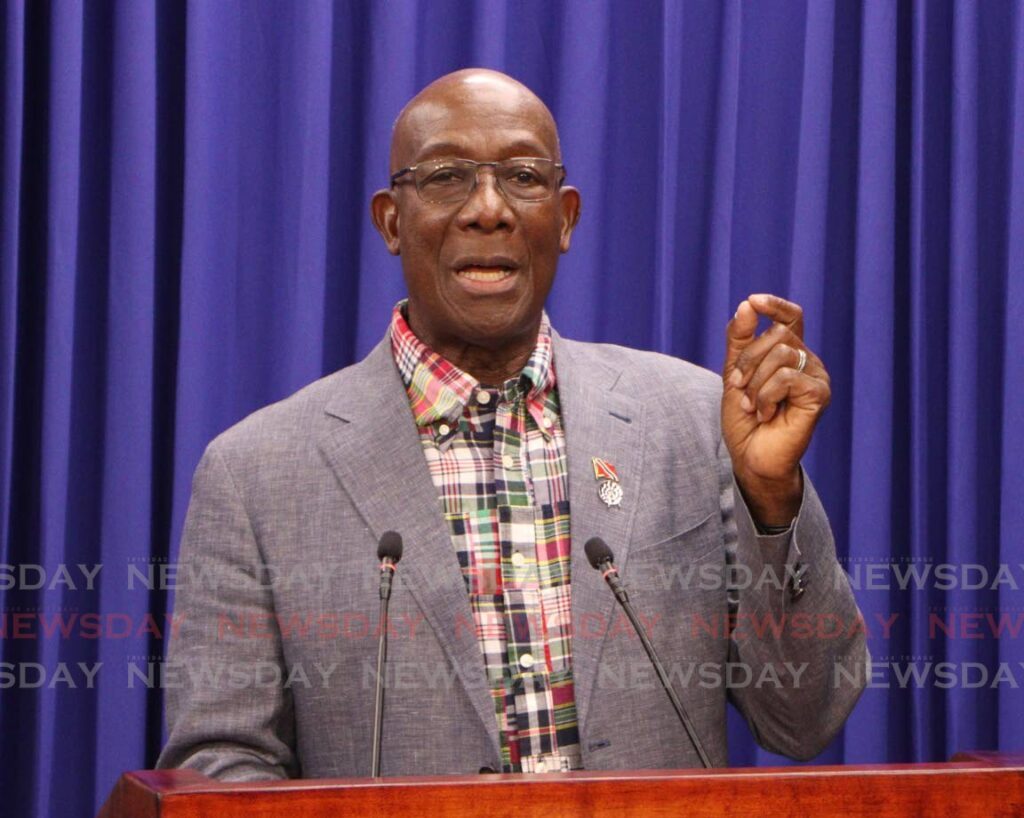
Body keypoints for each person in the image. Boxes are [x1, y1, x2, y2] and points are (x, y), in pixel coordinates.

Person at [157, 68, 867, 780]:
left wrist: (772, 501)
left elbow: (806, 718)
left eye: (523, 176)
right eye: (445, 178)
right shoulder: (256, 474)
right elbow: (222, 764)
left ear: (564, 218)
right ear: (390, 221)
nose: (488, 208)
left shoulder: (690, 420)